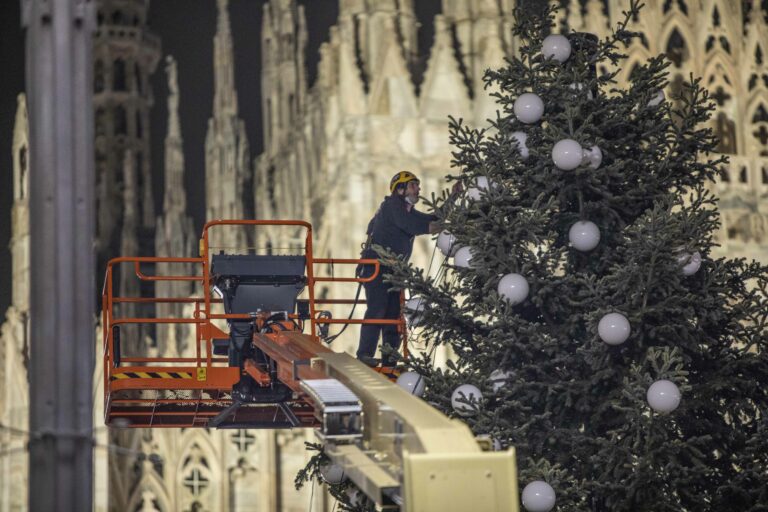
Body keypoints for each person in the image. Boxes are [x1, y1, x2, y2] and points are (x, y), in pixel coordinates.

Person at [356, 171, 440, 367]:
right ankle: (364, 354)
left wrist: (453, 198)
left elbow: (430, 218)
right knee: (377, 309)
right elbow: (411, 225)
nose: (418, 189)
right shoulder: (393, 205)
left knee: (394, 315)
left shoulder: (405, 208)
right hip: (376, 266)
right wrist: (436, 227)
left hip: (392, 271)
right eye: (413, 185)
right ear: (400, 189)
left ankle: (390, 359)